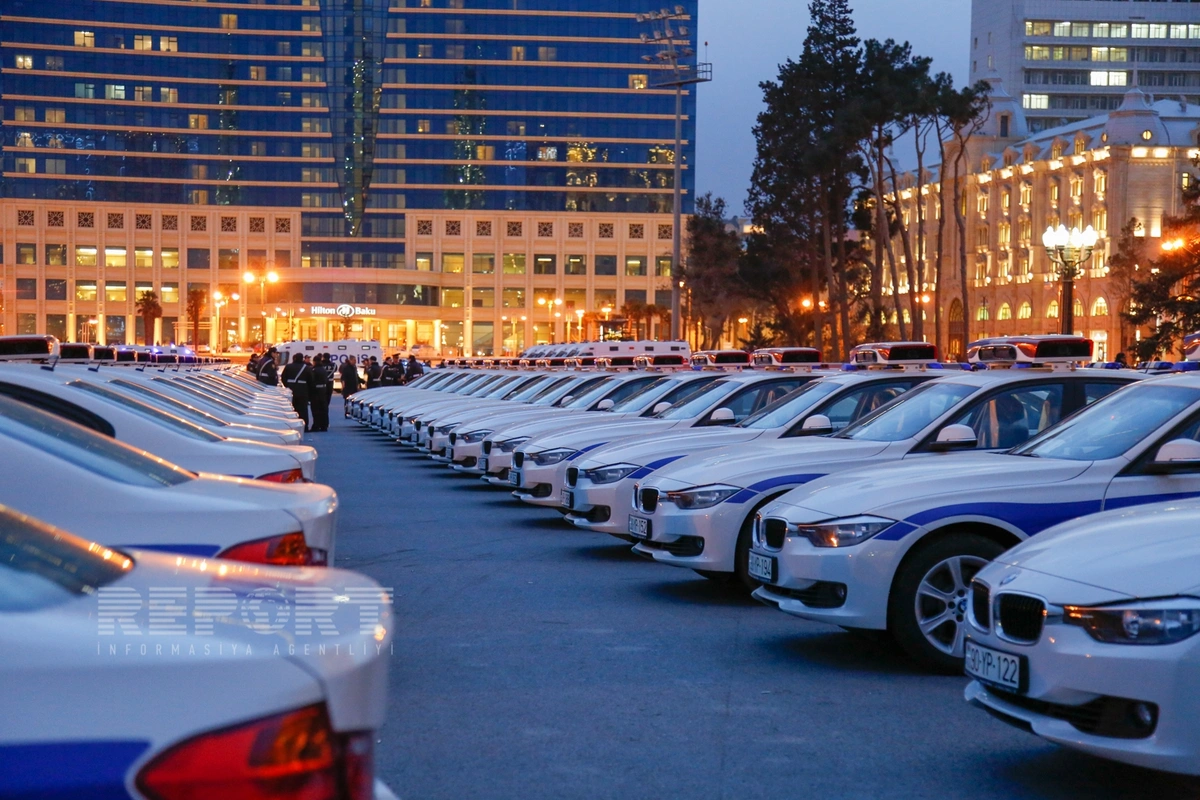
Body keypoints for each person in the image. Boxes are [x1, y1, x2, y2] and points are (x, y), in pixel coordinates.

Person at [281, 352, 316, 431]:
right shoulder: (306, 368)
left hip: (291, 390)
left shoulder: (288, 367)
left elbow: (283, 378)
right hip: (303, 391)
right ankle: (304, 426)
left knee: (291, 409)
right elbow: (311, 381)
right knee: (303, 409)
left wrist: (288, 386)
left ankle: (291, 425)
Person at [310, 354, 331, 432]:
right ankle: (324, 425)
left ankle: (316, 425)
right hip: (323, 390)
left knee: (316, 409)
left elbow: (311, 381)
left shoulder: (314, 370)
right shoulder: (323, 369)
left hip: (316, 391)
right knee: (324, 409)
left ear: (314, 362)